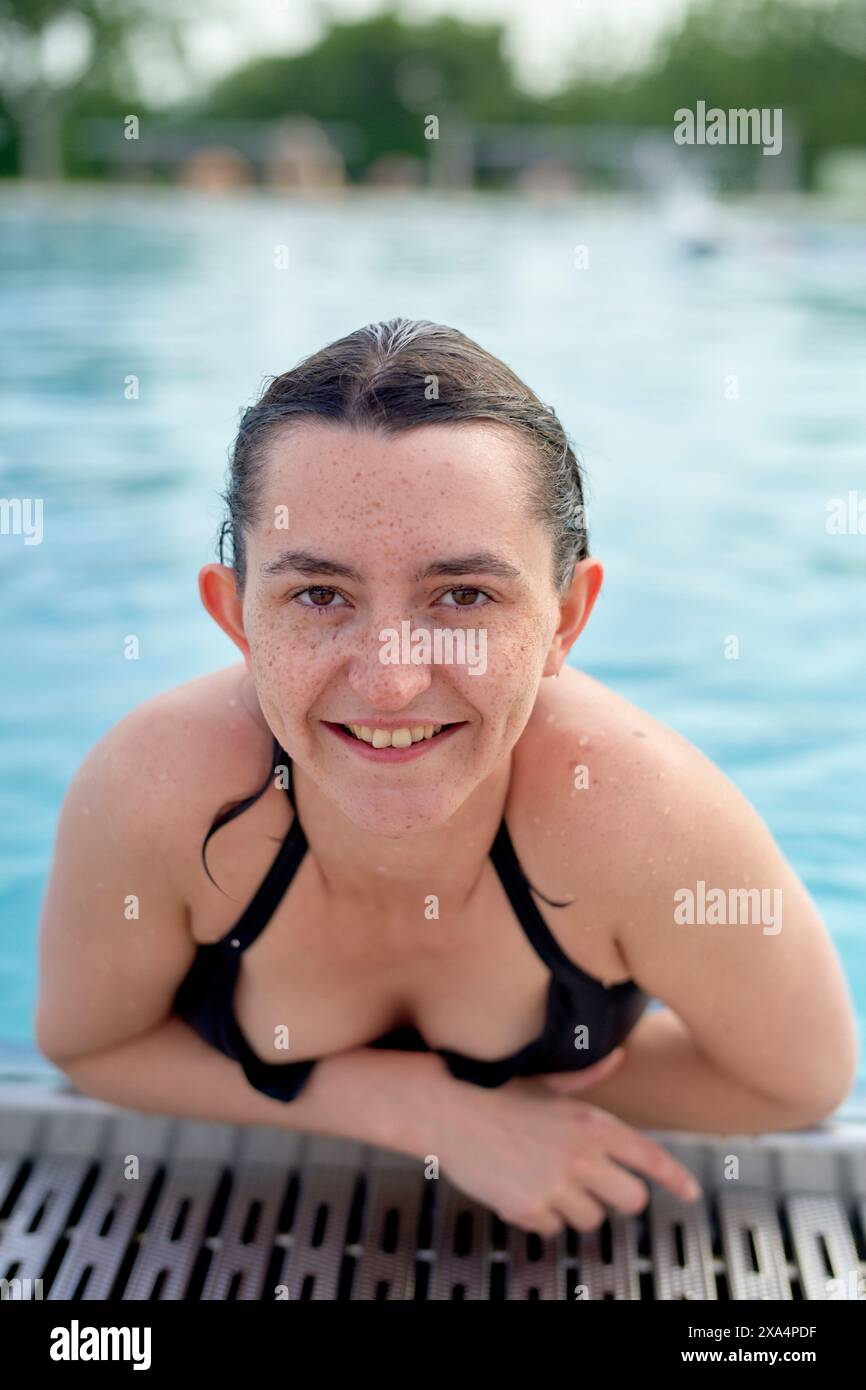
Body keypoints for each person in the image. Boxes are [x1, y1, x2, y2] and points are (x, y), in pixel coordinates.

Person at [35, 318, 858, 1238]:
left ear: (565, 619)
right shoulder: (157, 788)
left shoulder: (634, 813)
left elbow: (795, 1080)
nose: (390, 679)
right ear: (235, 617)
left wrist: (551, 1094)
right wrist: (415, 1106)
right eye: (318, 596)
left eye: (464, 596)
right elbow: (91, 1044)